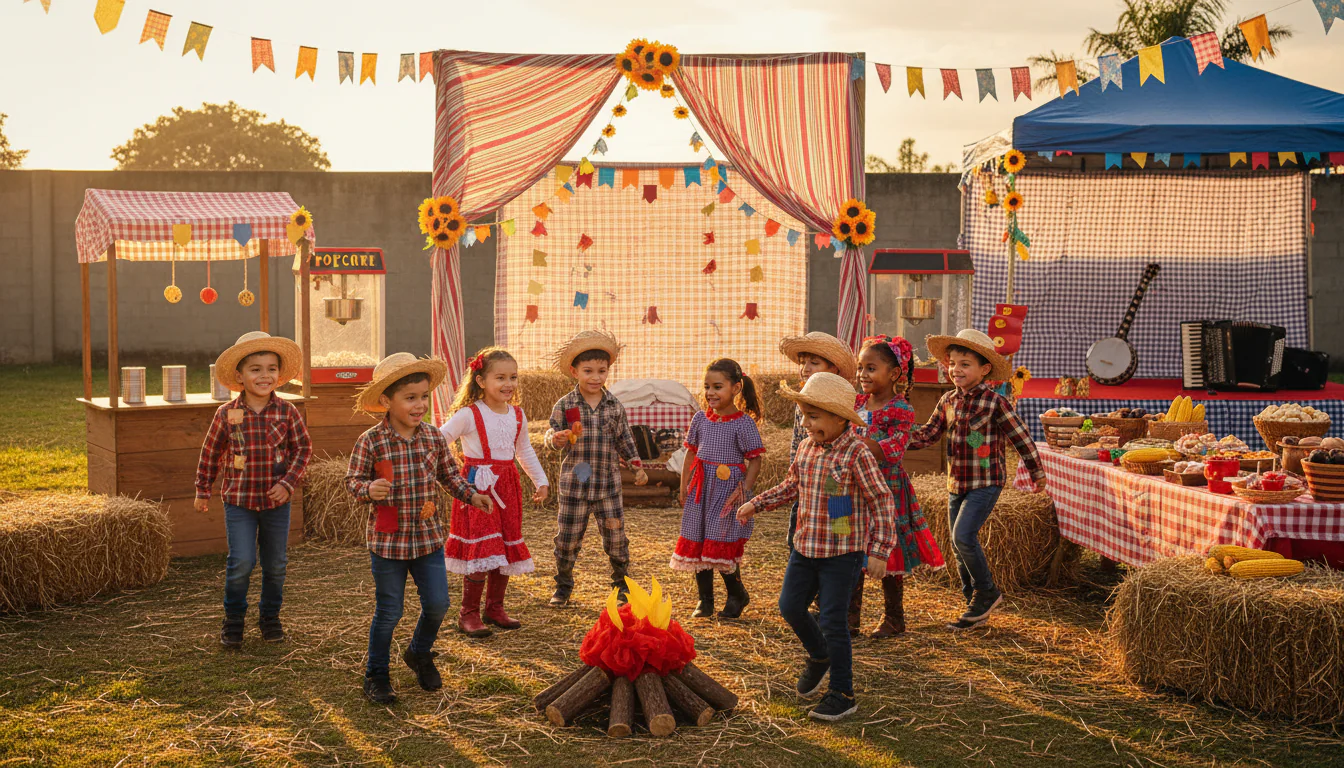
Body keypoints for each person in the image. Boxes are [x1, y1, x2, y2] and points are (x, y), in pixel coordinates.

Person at [737, 372, 896, 723]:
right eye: (804, 415)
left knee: (833, 620)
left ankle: (842, 693)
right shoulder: (808, 447)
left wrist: (880, 550)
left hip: (843, 553)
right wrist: (757, 503)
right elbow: (791, 485)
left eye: (813, 416)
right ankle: (819, 654)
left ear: (840, 417)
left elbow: (881, 501)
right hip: (806, 546)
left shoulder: (856, 453)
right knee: (790, 607)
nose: (806, 424)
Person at [346, 353, 494, 705]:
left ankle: (419, 652)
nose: (420, 405)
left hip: (427, 539)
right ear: (386, 401)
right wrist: (368, 489)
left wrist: (472, 496)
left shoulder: (432, 437)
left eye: (424, 396)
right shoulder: (371, 441)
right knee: (389, 611)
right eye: (410, 398)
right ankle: (376, 674)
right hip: (388, 544)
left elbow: (448, 476)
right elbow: (352, 481)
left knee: (438, 605)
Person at [908, 329, 1047, 632]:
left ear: (984, 370)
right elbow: (928, 434)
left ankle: (987, 592)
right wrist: (897, 438)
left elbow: (1021, 438)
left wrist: (1036, 471)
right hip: (956, 483)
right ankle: (973, 605)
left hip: (986, 481)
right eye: (953, 363)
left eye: (965, 364)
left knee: (963, 537)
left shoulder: (995, 402)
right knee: (959, 548)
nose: (956, 369)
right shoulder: (947, 400)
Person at [196, 332, 312, 649]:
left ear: (279, 374)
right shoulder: (226, 414)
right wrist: (202, 489)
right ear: (239, 376)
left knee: (275, 564)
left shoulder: (287, 412)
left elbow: (303, 450)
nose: (264, 376)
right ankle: (233, 622)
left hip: (276, 503)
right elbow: (210, 451)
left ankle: (270, 618)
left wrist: (287, 483)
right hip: (239, 501)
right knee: (242, 562)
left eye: (271, 368)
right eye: (255, 369)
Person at [440, 347, 548, 638]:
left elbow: (523, 450)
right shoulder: (468, 414)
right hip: (478, 487)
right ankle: (468, 613)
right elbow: (439, 439)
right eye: (500, 377)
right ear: (480, 381)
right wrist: (453, 466)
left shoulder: (517, 415)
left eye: (513, 377)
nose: (508, 384)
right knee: (484, 547)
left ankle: (495, 608)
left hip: (508, 485)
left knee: (503, 545)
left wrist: (541, 480)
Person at [544, 329, 648, 608]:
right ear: (574, 371)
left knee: (615, 536)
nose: (595, 377)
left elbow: (625, 439)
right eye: (588, 371)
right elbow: (550, 437)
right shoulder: (565, 405)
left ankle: (622, 583)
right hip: (574, 486)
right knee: (567, 538)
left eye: (601, 371)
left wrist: (637, 467)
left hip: (607, 486)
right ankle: (563, 585)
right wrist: (556, 439)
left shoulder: (614, 406)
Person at [850, 335, 945, 639]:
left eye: (871, 368)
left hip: (886, 487)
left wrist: (866, 446)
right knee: (851, 547)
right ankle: (849, 619)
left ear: (893, 374)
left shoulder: (900, 409)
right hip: (853, 488)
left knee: (887, 548)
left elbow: (898, 445)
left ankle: (894, 618)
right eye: (860, 367)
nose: (862, 374)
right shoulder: (856, 403)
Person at [672, 359, 765, 619]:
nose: (710, 393)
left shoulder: (743, 423)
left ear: (736, 388)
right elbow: (690, 455)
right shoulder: (700, 418)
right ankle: (705, 601)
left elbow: (755, 459)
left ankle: (736, 595)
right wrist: (684, 486)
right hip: (701, 490)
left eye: (717, 387)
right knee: (699, 538)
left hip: (727, 493)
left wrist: (744, 490)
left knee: (721, 540)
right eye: (706, 387)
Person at [777, 333, 856, 555]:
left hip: (835, 480)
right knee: (798, 536)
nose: (805, 368)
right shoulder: (802, 398)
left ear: (834, 369)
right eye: (803, 362)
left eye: (814, 362)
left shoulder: (844, 403)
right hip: (808, 480)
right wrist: (794, 473)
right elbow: (797, 441)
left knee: (839, 535)